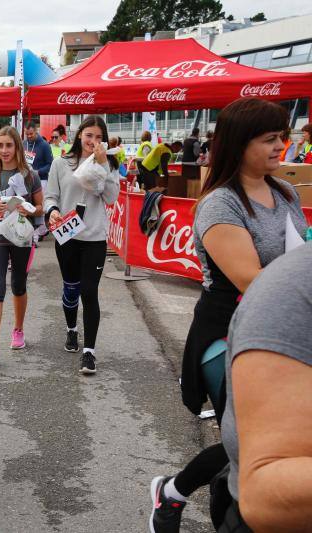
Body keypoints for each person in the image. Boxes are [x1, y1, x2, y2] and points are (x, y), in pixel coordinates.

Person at [149, 98, 307, 533]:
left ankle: (175, 493)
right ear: (239, 144)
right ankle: (181, 496)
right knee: (254, 443)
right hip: (228, 335)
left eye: (283, 137)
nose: (282, 146)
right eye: (270, 139)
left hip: (285, 332)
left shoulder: (284, 192)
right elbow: (253, 282)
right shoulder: (220, 205)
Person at [217, 242, 312, 532]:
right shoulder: (292, 286)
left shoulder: (284, 198)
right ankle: (173, 491)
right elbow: (248, 278)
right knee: (239, 444)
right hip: (231, 322)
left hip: (260, 326)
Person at [45, 116, 120, 375]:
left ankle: (89, 352)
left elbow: (111, 197)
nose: (93, 142)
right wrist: (52, 210)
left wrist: (103, 168)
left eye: (99, 137)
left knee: (89, 291)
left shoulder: (108, 164)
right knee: (71, 289)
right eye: (89, 135)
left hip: (94, 238)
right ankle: (71, 329)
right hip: (66, 234)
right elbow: (50, 196)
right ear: (79, 135)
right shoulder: (60, 163)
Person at [0, 126, 44, 364]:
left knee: (18, 285)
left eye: (9, 145)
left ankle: (18, 330)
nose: (4, 150)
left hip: (22, 238)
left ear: (17, 147)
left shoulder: (30, 175)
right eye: (0, 145)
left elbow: (41, 208)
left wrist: (26, 208)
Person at [23, 121, 54, 187]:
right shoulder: (24, 144)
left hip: (41, 180)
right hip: (26, 180)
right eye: (27, 134)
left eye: (31, 134)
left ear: (36, 131)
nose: (29, 136)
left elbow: (50, 164)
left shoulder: (45, 145)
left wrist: (38, 172)